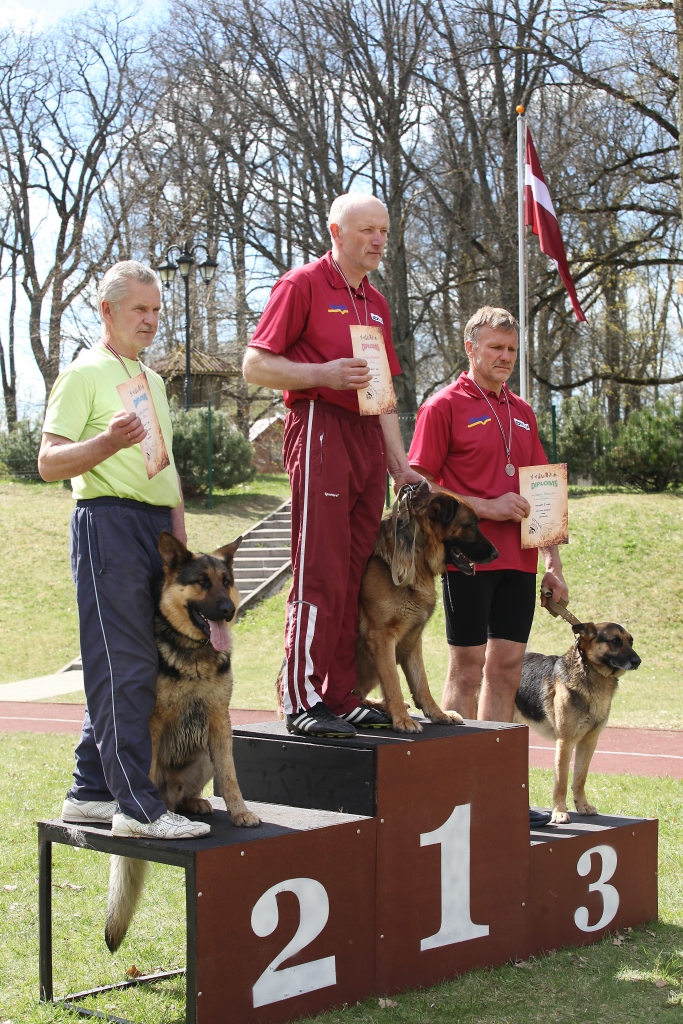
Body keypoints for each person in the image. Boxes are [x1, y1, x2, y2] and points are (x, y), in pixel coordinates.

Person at [38, 260, 210, 841]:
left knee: (136, 665)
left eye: (157, 309)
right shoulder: (83, 373)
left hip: (155, 531)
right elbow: (48, 462)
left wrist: (180, 550)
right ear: (106, 310)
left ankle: (88, 792)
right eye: (140, 309)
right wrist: (107, 440)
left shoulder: (151, 380)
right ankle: (136, 807)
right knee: (127, 666)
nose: (152, 320)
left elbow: (166, 471)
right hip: (106, 522)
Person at [243, 194, 423, 738]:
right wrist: (320, 374)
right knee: (318, 567)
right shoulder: (302, 285)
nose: (377, 241)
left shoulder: (377, 303)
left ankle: (339, 692)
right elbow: (254, 365)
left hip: (369, 440)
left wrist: (400, 465)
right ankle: (301, 694)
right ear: (336, 232)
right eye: (366, 229)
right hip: (320, 426)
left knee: (353, 573)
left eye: (384, 232)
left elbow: (383, 390)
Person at [408, 307, 568, 824]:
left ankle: (495, 795)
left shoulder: (523, 411)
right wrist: (485, 506)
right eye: (495, 348)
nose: (504, 358)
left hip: (520, 562)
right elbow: (416, 487)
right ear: (470, 348)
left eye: (511, 350)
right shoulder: (443, 406)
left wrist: (554, 565)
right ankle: (454, 797)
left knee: (505, 671)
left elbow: (544, 489)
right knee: (468, 669)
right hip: (466, 562)